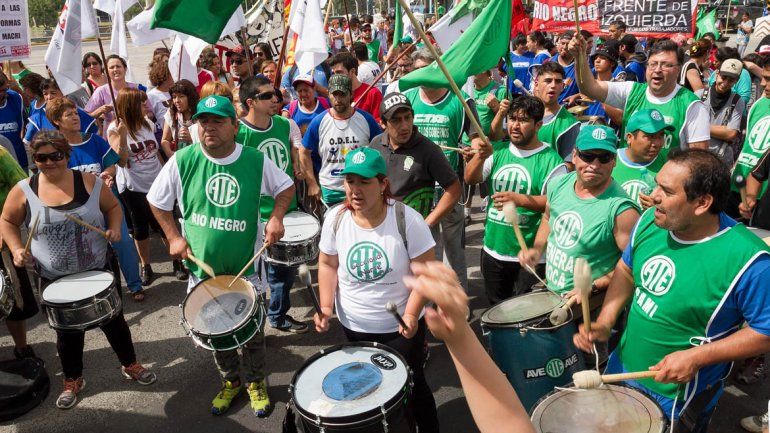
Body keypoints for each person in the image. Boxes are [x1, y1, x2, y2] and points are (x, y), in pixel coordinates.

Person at [574, 149, 770, 433]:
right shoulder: (649, 223)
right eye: (657, 185)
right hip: (622, 366)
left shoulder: (750, 260)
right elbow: (627, 270)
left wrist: (696, 357)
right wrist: (606, 319)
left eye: (666, 191)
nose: (653, 196)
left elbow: (765, 331)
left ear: (702, 202)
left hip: (678, 395)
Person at [148, 95, 294, 417]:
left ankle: (256, 382)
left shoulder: (255, 160)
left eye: (217, 120)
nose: (209, 127)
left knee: (253, 333)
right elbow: (157, 201)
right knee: (216, 333)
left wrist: (277, 217)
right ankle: (231, 381)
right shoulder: (183, 159)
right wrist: (173, 237)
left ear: (234, 125)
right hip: (204, 274)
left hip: (246, 270)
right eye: (204, 121)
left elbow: (285, 188)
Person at [0, 131, 156, 409]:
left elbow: (112, 207)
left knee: (115, 323)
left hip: (97, 269)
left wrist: (114, 228)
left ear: (67, 155)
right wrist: (15, 248)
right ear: (34, 160)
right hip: (54, 276)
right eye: (41, 158)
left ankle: (130, 364)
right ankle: (73, 379)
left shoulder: (89, 182)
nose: (49, 162)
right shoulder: (24, 189)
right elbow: (8, 220)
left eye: (56, 156)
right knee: (67, 334)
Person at [314, 147, 440, 433]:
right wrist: (324, 307)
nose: (355, 190)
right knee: (369, 390)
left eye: (364, 181)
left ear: (383, 184)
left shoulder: (408, 220)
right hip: (354, 327)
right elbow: (327, 264)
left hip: (399, 330)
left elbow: (424, 274)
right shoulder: (335, 219)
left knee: (412, 385)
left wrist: (410, 314)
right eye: (350, 181)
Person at [46, 97, 151, 300]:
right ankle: (96, 292)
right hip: (77, 210)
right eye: (69, 114)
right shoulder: (55, 149)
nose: (75, 117)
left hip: (107, 203)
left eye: (76, 113)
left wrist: (109, 173)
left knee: (123, 243)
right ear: (57, 121)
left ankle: (135, 285)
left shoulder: (94, 140)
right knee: (86, 251)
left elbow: (116, 163)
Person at [466, 96, 566, 304]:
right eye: (512, 119)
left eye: (523, 120)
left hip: (529, 257)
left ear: (538, 125)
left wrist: (520, 200)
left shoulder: (552, 161)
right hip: (493, 251)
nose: (515, 125)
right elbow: (470, 178)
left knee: (526, 318)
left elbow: (557, 205)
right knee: (496, 310)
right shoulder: (498, 151)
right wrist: (480, 156)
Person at [519, 125, 639, 296]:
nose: (595, 165)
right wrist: (537, 250)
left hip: (590, 307)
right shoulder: (558, 184)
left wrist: (595, 285)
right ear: (574, 155)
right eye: (587, 156)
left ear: (614, 161)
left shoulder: (622, 210)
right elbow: (547, 218)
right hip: (553, 294)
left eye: (604, 158)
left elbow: (633, 264)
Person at [402, 48, 484, 292]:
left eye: (425, 69)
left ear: (436, 69)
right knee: (425, 249)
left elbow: (476, 139)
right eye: (416, 70)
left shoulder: (460, 100)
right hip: (417, 189)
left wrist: (474, 149)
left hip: (450, 188)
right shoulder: (408, 99)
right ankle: (429, 301)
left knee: (454, 249)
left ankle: (459, 299)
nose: (420, 75)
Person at [236, 76, 306, 333]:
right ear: (250, 102)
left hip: (286, 210)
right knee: (257, 275)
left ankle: (276, 316)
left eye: (275, 94)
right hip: (254, 216)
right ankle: (255, 321)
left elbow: (296, 151)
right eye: (267, 96)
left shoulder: (285, 125)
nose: (275, 99)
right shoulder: (239, 133)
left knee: (284, 272)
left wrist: (298, 165)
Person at [569, 36, 710, 160]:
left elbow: (698, 160)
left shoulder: (693, 106)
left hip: (664, 187)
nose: (658, 69)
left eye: (666, 65)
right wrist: (579, 56)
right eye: (653, 64)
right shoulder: (632, 90)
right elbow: (589, 88)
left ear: (678, 69)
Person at [367, 92, 461, 225]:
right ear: (382, 123)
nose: (404, 126)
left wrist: (427, 224)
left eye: (407, 117)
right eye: (396, 120)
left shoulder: (429, 149)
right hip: (383, 227)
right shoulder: (375, 144)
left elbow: (454, 188)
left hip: (416, 234)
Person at [108, 88, 165, 286]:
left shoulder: (147, 123)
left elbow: (156, 152)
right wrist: (123, 136)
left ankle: (178, 262)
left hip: (157, 183)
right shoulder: (114, 129)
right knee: (141, 228)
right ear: (132, 106)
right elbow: (122, 162)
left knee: (164, 224)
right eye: (141, 103)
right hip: (134, 187)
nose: (146, 106)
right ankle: (146, 265)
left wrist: (166, 173)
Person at [300, 74, 382, 207]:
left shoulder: (366, 120)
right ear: (329, 95)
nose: (338, 99)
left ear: (351, 95)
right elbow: (303, 151)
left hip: (361, 189)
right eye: (334, 94)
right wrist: (312, 183)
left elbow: (381, 149)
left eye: (342, 94)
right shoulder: (319, 121)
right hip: (331, 191)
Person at [0, 146, 39, 361]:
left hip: (3, 236)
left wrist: (4, 224)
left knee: (13, 298)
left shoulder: (0, 153)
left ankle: (21, 347)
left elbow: (23, 186)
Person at [611, 108, 671, 209]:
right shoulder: (607, 160)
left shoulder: (669, 164)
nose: (657, 143)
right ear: (629, 137)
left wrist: (660, 209)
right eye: (650, 136)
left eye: (661, 135)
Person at [735, 58, 770, 219]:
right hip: (739, 189)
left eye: (768, 79)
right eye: (763, 77)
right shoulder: (759, 104)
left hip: (763, 199)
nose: (762, 84)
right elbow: (747, 146)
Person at [695, 59, 746, 166]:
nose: (725, 83)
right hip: (696, 155)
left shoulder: (737, 101)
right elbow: (687, 126)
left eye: (731, 80)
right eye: (724, 77)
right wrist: (721, 130)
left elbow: (731, 133)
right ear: (717, 73)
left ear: (736, 81)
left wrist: (699, 126)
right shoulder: (699, 96)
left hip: (721, 159)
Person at [527, 62, 580, 161]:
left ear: (562, 86)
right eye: (548, 81)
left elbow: (569, 165)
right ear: (536, 84)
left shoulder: (569, 124)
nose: (553, 85)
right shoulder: (524, 113)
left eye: (558, 81)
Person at [24, 79, 98, 148]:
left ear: (63, 93)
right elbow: (29, 144)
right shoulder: (37, 118)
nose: (49, 97)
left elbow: (93, 137)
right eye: (45, 94)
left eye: (53, 93)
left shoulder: (77, 112)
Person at [328, 52, 383, 122]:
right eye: (333, 73)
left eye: (339, 72)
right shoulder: (333, 94)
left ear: (352, 71)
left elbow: (378, 125)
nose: (335, 76)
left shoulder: (373, 93)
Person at [160, 79, 199, 158]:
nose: (177, 101)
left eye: (181, 96)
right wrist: (171, 155)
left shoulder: (200, 114)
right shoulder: (171, 113)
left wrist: (192, 137)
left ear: (190, 97)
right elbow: (165, 140)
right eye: (174, 97)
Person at [0, 71, 28, 168]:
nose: (2, 94)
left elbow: (24, 125)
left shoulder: (15, 98)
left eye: (4, 90)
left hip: (18, 160)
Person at [550, 31, 579, 105]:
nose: (565, 47)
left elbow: (588, 91)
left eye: (568, 44)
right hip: (549, 109)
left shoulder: (580, 65)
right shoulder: (548, 62)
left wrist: (576, 96)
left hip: (570, 112)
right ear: (558, 44)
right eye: (562, 43)